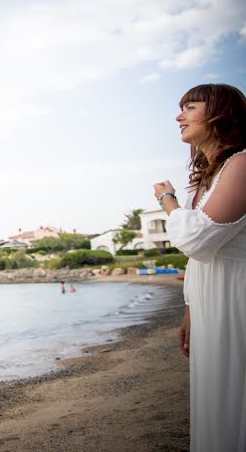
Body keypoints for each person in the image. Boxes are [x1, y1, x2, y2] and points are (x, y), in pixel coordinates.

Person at [152, 83, 246, 452]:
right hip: (209, 299)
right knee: (215, 390)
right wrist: (190, 309)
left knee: (232, 389)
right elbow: (198, 256)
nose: (179, 116)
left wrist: (167, 200)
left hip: (235, 294)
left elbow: (196, 239)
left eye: (190, 107)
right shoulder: (210, 176)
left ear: (221, 114)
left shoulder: (242, 164)